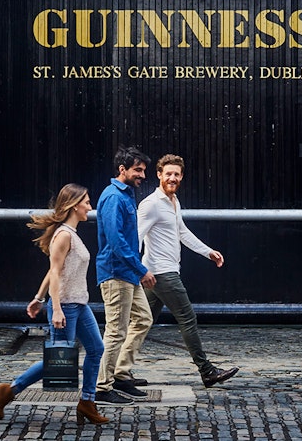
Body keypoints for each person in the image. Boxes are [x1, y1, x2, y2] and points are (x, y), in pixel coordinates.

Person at [0, 184, 109, 426]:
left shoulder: (71, 234)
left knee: (96, 349)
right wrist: (54, 307)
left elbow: (56, 270)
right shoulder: (64, 235)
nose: (89, 207)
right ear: (75, 205)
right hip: (65, 305)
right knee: (59, 360)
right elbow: (54, 271)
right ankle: (10, 390)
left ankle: (87, 402)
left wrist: (38, 297)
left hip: (79, 304)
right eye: (86, 202)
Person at [137, 154, 239, 387]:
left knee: (140, 323)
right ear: (159, 175)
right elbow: (135, 237)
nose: (172, 178)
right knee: (187, 318)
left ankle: (116, 372)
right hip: (160, 273)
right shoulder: (151, 204)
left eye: (177, 174)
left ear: (181, 177)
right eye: (168, 173)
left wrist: (208, 252)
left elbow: (181, 232)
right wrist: (140, 270)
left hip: (161, 273)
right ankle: (207, 371)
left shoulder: (173, 201)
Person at [94, 146, 156, 404]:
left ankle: (120, 373)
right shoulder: (114, 197)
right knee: (116, 331)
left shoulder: (127, 195)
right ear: (123, 169)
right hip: (117, 273)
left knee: (143, 319)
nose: (142, 175)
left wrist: (136, 271)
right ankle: (102, 387)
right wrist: (142, 270)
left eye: (143, 170)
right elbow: (117, 242)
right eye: (137, 170)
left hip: (127, 273)